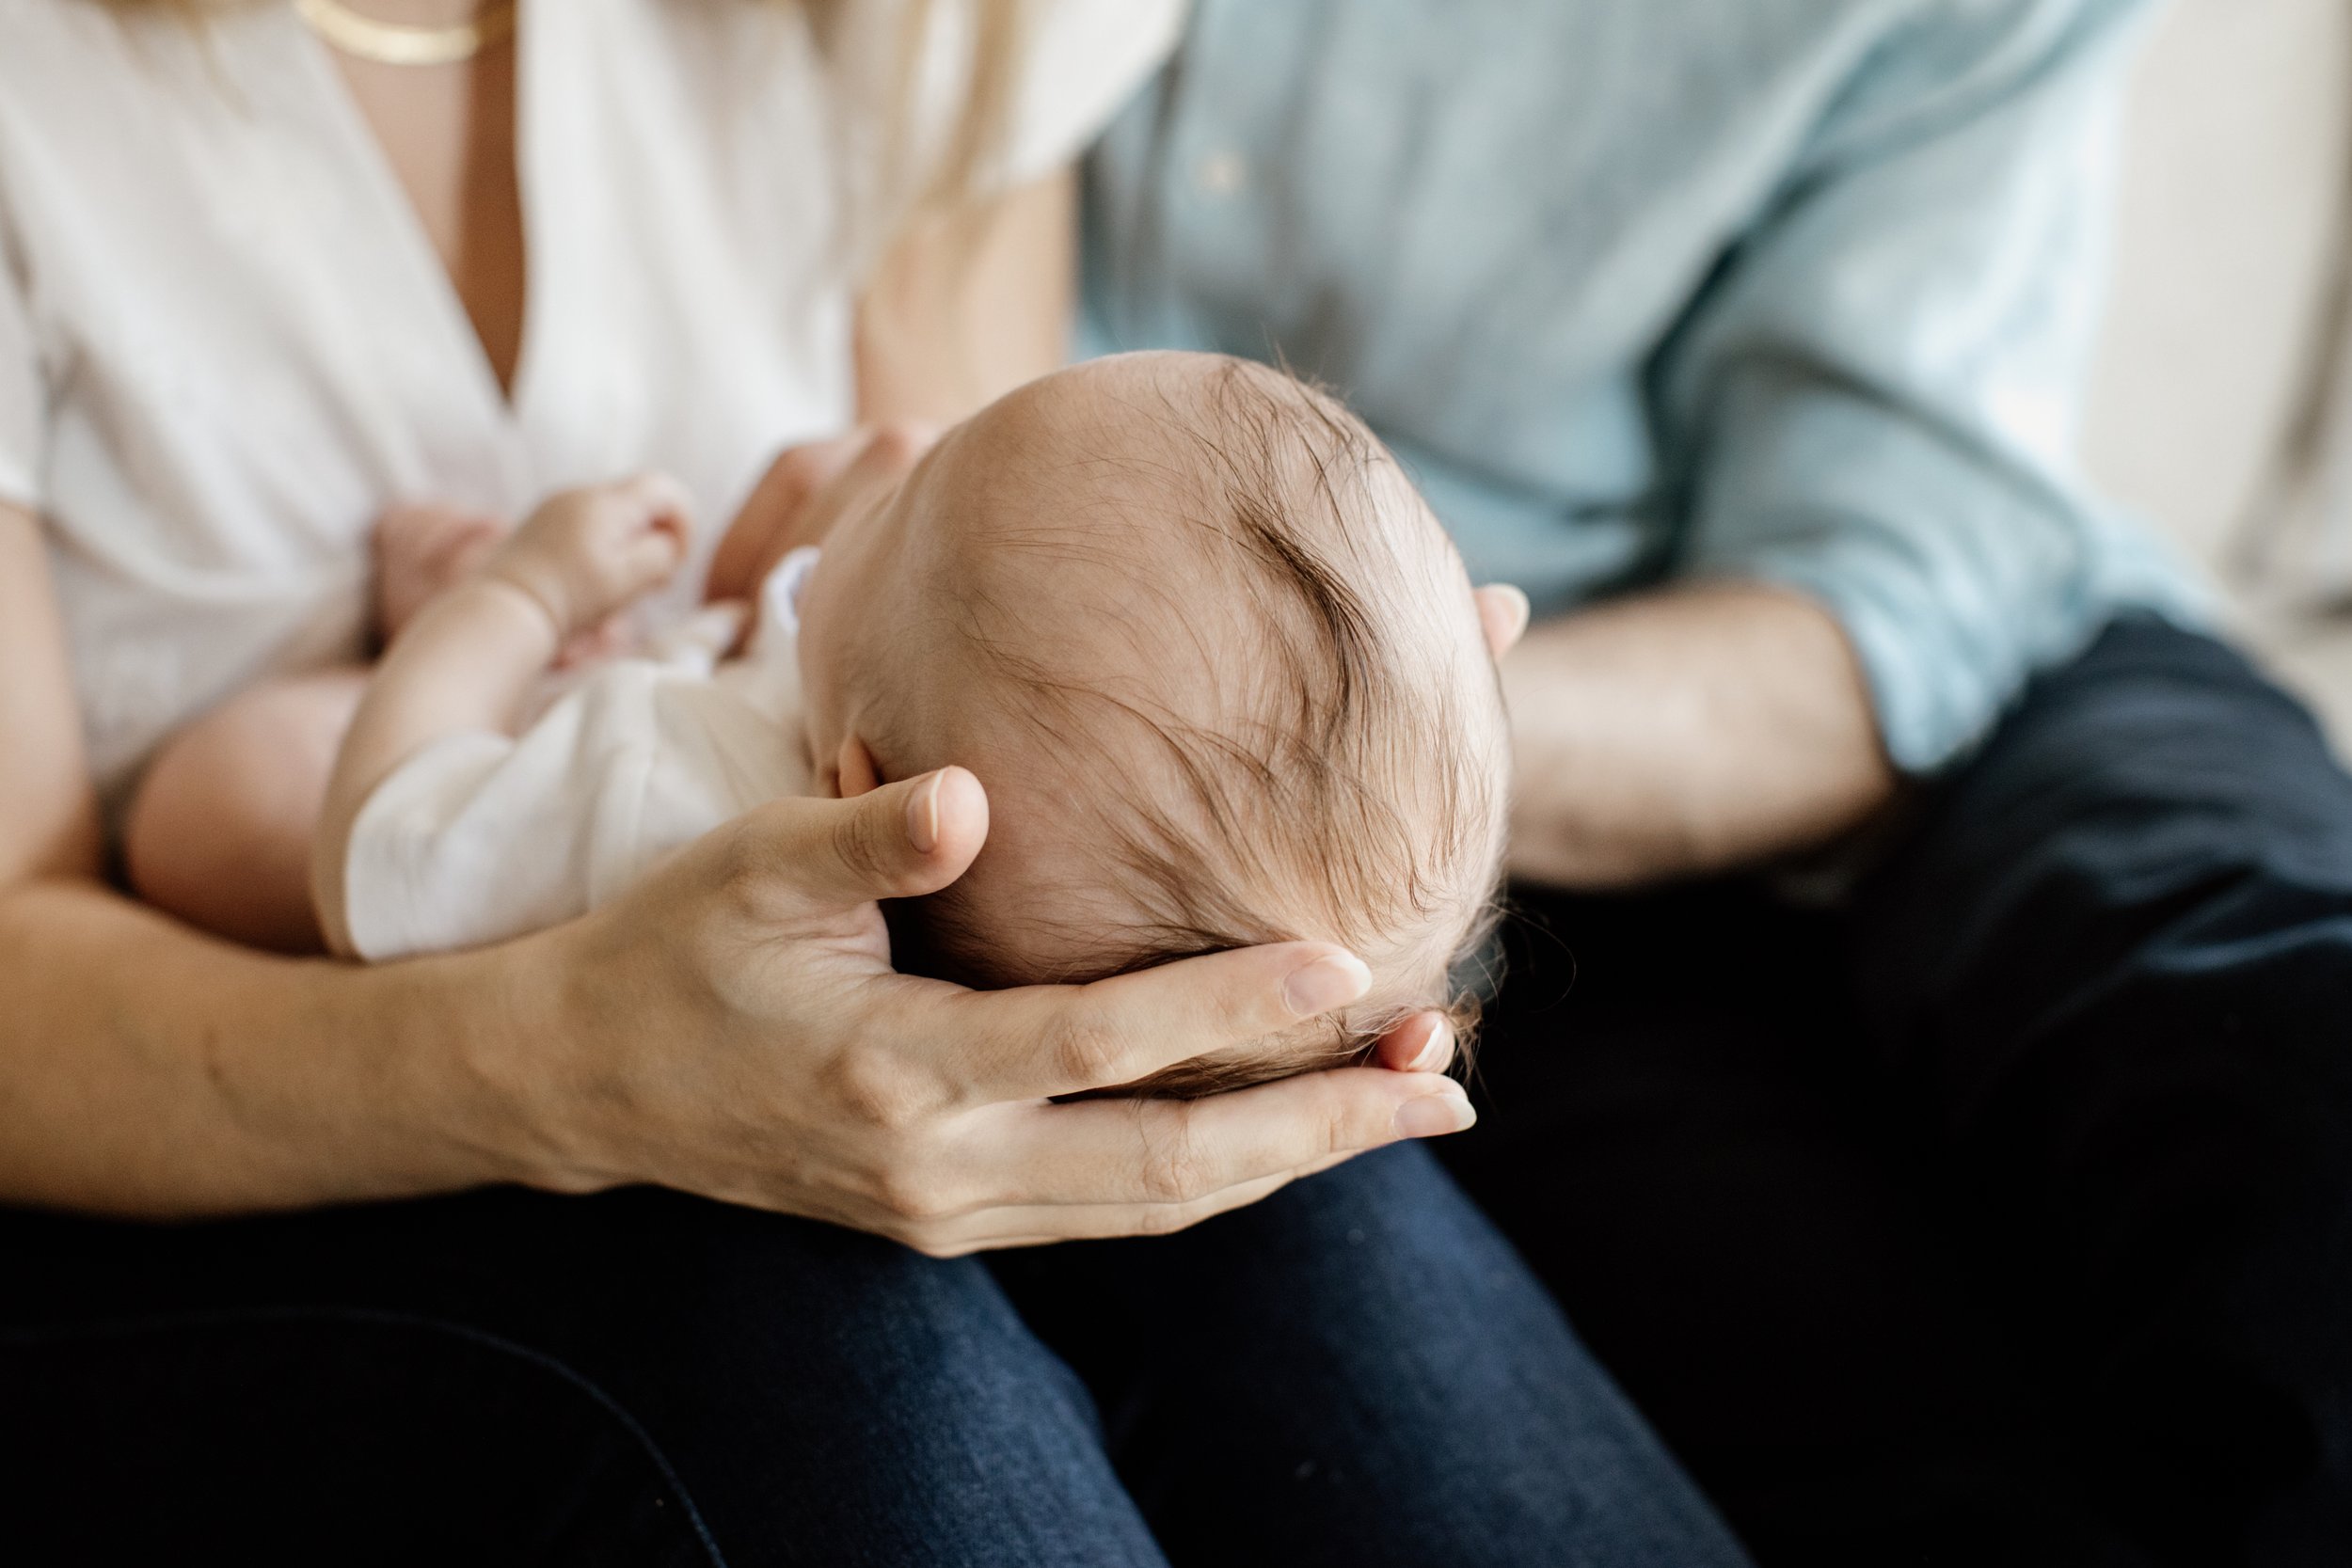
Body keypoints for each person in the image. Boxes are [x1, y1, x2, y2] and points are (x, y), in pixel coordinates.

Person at [0, 2, 1753, 1563]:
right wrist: (566, 1054)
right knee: (836, 1337)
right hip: (193, 1100)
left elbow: (1042, 645)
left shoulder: (922, 27)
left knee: (1282, 1196)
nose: (893, 478)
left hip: (522, 776)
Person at [1083, 0, 2352, 1562]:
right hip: (1363, 840)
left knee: (2303, 1075)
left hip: (1945, 649)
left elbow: (1885, 592)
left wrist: (1367, 743)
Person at [135, 354, 1523, 1105]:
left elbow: (379, 846)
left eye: (905, 502)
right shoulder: (930, 798)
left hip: (357, 854)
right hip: (660, 727)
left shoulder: (653, 801)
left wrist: (508, 603)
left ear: (851, 800)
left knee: (223, 789)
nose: (906, 438)